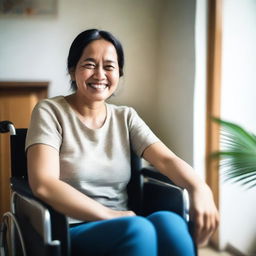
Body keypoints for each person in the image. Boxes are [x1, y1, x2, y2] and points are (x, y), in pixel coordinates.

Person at [25, 29, 219, 256]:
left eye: (109, 66)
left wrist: (200, 187)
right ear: (72, 69)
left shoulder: (125, 117)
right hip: (70, 226)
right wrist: (108, 214)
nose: (100, 74)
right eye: (89, 64)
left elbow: (166, 160)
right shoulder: (50, 111)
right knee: (138, 229)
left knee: (170, 222)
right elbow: (44, 183)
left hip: (123, 221)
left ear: (119, 73)